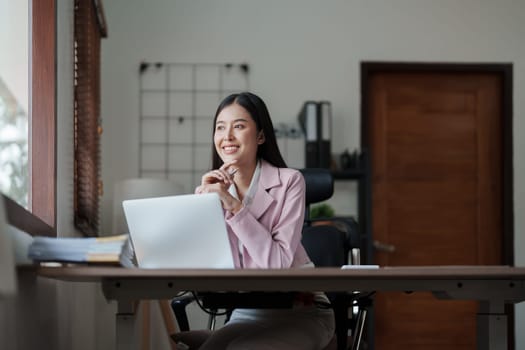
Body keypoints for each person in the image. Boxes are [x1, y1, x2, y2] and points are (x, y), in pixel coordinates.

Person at [194, 92, 335, 350]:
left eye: (238, 126)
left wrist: (233, 205)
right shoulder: (211, 192)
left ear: (260, 136)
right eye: (220, 128)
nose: (227, 137)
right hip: (247, 312)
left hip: (302, 311)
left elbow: (277, 264)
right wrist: (202, 206)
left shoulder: (290, 181)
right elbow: (207, 267)